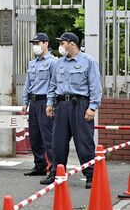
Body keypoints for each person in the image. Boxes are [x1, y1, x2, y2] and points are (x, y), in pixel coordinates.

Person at [42, 32, 102, 189]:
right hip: (61, 106)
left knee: (84, 142)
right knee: (58, 142)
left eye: (63, 43)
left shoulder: (88, 61)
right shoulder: (58, 63)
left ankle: (91, 175)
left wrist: (92, 107)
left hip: (80, 105)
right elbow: (53, 85)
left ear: (72, 44)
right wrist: (50, 103)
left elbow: (95, 86)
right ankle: (56, 173)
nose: (60, 46)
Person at [22, 33, 56, 177]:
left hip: (45, 101)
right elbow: (27, 84)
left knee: (48, 137)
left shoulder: (53, 62)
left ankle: (54, 168)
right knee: (34, 136)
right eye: (34, 43)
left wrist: (51, 103)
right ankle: (39, 165)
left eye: (38, 43)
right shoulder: (32, 63)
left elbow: (54, 84)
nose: (35, 46)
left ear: (46, 43)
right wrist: (25, 102)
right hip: (34, 102)